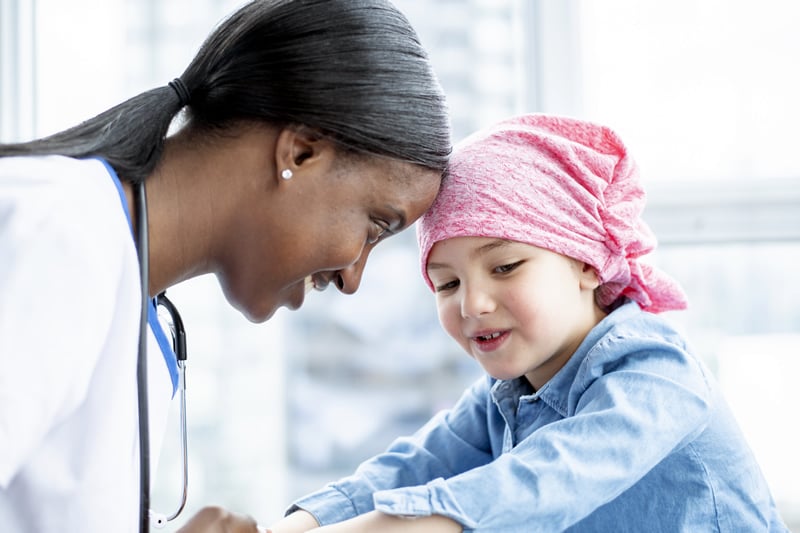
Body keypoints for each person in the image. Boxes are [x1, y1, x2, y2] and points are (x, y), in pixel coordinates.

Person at [0, 0, 450, 531]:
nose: (352, 279)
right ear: (301, 153)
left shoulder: (129, 297)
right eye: (375, 226)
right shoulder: (57, 236)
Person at [267, 114, 788, 532]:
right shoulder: (506, 392)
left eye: (505, 267)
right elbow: (415, 465)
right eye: (447, 284)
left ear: (586, 261)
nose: (473, 304)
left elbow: (540, 482)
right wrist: (299, 524)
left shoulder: (657, 374)